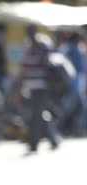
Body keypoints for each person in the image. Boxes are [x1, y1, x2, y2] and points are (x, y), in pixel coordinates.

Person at [16, 24, 61, 152]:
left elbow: (47, 62)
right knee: (36, 114)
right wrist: (20, 85)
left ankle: (33, 143)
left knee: (36, 114)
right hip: (29, 86)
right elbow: (23, 67)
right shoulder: (26, 45)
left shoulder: (44, 44)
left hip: (42, 85)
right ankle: (53, 139)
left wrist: (37, 46)